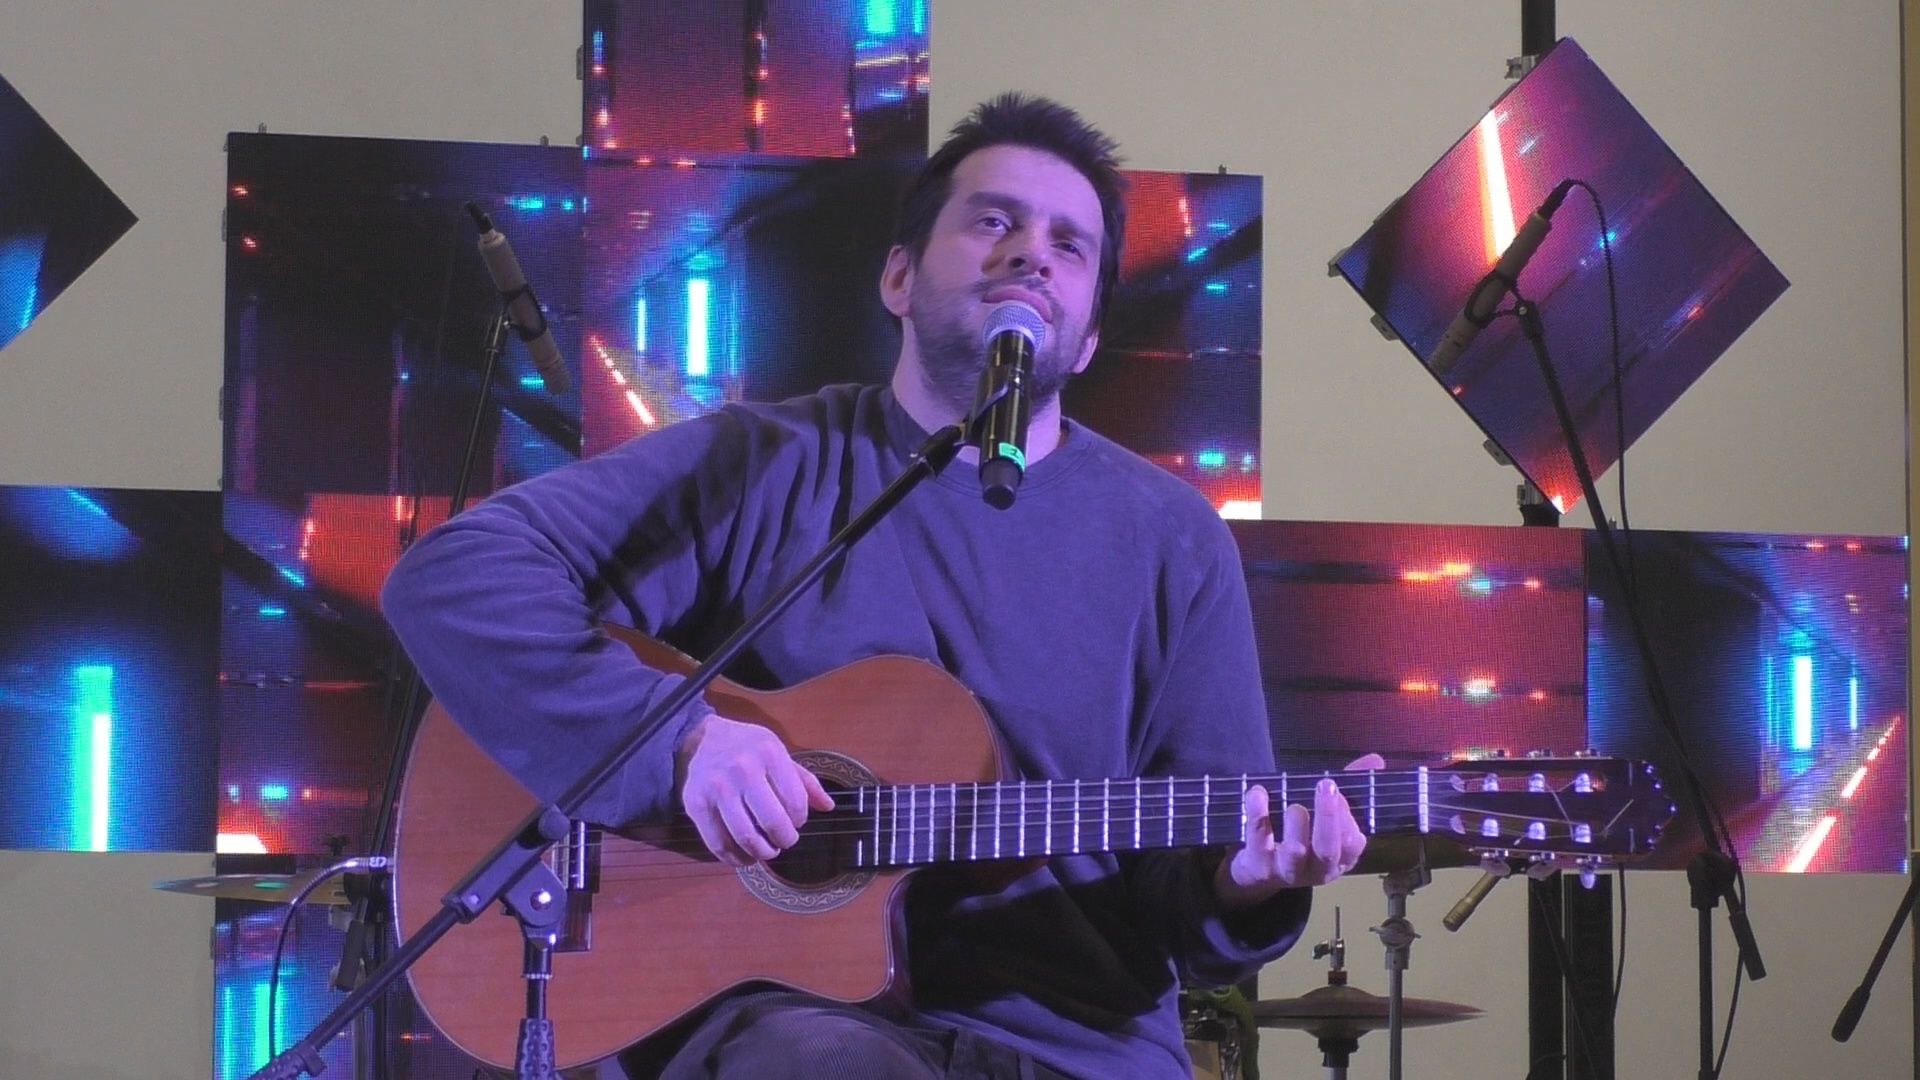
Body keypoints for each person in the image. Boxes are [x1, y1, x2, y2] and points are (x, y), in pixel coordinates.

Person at [382, 93, 1369, 1080]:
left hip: (1082, 1043)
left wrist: (1250, 879)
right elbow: (457, 576)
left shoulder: (1175, 541)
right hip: (793, 1021)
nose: (1032, 254)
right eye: (994, 221)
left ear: (1088, 338)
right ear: (898, 277)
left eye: (1069, 246)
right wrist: (680, 742)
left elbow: (1193, 907)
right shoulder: (769, 462)